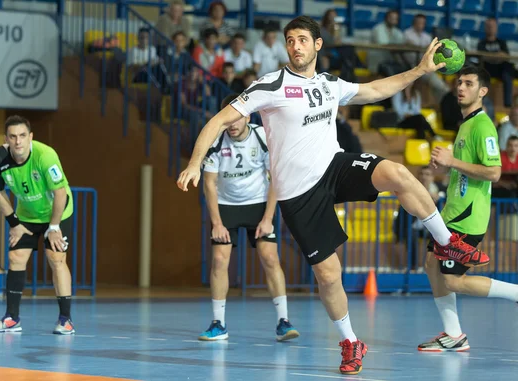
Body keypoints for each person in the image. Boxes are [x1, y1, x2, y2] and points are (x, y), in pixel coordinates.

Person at [176, 16, 490, 375]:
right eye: (290, 40)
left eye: (303, 40)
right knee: (329, 275)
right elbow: (217, 121)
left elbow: (375, 90)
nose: (296, 46)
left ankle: (447, 241)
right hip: (298, 194)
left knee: (397, 172)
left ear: (318, 45)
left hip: (334, 166)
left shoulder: (329, 84)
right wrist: (196, 163)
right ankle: (350, 342)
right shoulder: (270, 85)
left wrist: (419, 69)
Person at [417, 66, 518, 351]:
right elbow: (463, 173)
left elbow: (494, 172)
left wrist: (452, 162)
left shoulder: (483, 126)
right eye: (459, 82)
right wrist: (444, 167)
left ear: (483, 91)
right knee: (432, 266)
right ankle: (454, 335)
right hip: (450, 213)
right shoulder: (465, 124)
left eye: (469, 83)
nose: (461, 87)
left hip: (466, 218)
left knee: (453, 281)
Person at [199, 94, 299, 342]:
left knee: (269, 257)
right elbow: (209, 184)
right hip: (226, 206)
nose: (232, 123)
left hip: (258, 204)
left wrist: (267, 218)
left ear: (248, 116)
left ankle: (283, 322)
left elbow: (276, 178)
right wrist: (217, 223)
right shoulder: (215, 141)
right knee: (220, 260)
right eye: (228, 119)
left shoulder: (263, 137)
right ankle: (218, 324)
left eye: (237, 118)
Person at [0, 115, 75, 335]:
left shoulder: (46, 156)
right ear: (6, 138)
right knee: (15, 257)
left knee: (56, 258)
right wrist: (14, 223)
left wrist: (54, 227)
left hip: (58, 212)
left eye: (23, 136)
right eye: (13, 137)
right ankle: (11, 318)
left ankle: (65, 320)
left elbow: (60, 193)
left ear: (30, 137)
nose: (18, 142)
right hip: (26, 215)